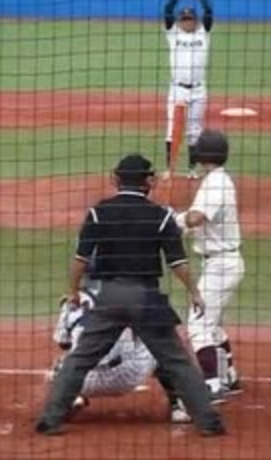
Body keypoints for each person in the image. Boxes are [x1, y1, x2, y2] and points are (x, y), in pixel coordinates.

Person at [34, 153, 225, 436]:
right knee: (176, 360)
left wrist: (72, 292)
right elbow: (178, 264)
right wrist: (194, 292)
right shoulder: (162, 216)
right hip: (146, 297)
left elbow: (80, 261)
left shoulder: (98, 212)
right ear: (148, 181)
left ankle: (50, 420)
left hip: (109, 297)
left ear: (116, 179)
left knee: (79, 360)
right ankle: (208, 423)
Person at [47, 287, 192, 423]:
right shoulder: (129, 294)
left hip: (83, 381)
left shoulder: (70, 301)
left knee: (61, 363)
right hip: (129, 375)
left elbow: (64, 344)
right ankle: (177, 406)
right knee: (161, 345)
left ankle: (71, 398)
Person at [173, 129, 245, 401]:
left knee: (198, 326)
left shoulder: (215, 184)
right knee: (211, 324)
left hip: (221, 265)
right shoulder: (219, 180)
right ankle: (228, 377)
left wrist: (174, 220)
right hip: (223, 263)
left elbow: (197, 218)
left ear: (202, 155)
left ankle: (212, 386)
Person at [162, 0, 213, 179]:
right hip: (177, 89)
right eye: (184, 19)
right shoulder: (173, 33)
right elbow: (167, 10)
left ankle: (192, 169)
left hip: (199, 89)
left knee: (194, 131)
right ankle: (169, 168)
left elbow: (209, 12)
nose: (187, 22)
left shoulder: (203, 33)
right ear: (179, 21)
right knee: (172, 128)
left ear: (195, 20)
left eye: (190, 19)